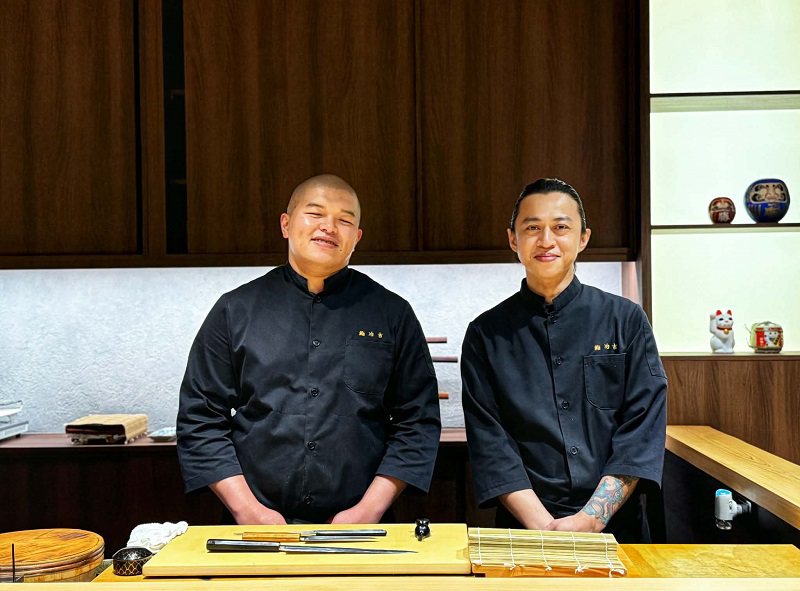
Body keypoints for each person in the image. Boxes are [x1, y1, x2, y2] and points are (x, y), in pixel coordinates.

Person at [177, 174, 441, 525]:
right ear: (286, 224)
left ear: (357, 237)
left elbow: (417, 420)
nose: (328, 226)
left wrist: (368, 510)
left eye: (344, 220)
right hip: (255, 526)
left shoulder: (392, 313)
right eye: (315, 213)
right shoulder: (234, 310)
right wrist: (247, 510)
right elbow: (201, 418)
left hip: (362, 527)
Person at [461, 178, 666, 542]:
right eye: (532, 228)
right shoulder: (485, 334)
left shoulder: (625, 319)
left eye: (560, 227)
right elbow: (491, 443)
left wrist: (591, 519)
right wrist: (545, 528)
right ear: (513, 239)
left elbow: (641, 427)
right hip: (526, 530)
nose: (546, 240)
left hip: (618, 527)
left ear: (583, 238)